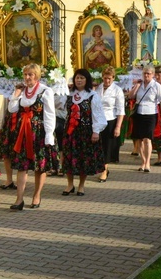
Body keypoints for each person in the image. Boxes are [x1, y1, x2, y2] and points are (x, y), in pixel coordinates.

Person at [7, 63, 58, 210]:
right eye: (25, 74)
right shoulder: (22, 91)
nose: (27, 77)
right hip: (23, 131)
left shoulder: (45, 91)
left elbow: (49, 114)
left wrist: (49, 135)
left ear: (36, 75)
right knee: (22, 166)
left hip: (39, 132)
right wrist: (15, 95)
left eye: (30, 74)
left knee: (39, 166)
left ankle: (36, 195)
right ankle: (19, 199)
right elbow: (12, 109)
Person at [61, 69, 107, 196]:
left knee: (83, 159)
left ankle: (81, 186)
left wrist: (96, 131)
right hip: (70, 132)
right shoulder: (69, 94)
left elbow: (98, 115)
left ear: (87, 80)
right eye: (77, 78)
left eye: (82, 78)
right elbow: (60, 107)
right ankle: (70, 185)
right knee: (68, 158)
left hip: (85, 132)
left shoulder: (92, 95)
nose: (79, 80)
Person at [128, 66, 161, 172]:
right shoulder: (139, 84)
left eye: (148, 73)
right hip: (139, 113)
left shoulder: (156, 86)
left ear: (153, 74)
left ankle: (148, 162)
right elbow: (130, 96)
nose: (146, 75)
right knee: (139, 139)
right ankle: (143, 161)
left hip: (151, 113)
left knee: (147, 139)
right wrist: (136, 86)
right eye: (144, 73)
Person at [95, 67, 124, 182]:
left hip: (110, 120)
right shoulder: (98, 88)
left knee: (107, 146)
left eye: (109, 79)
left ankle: (104, 170)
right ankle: (100, 167)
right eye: (105, 78)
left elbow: (121, 110)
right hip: (98, 120)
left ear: (113, 78)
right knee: (98, 145)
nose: (107, 81)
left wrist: (118, 126)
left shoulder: (117, 90)